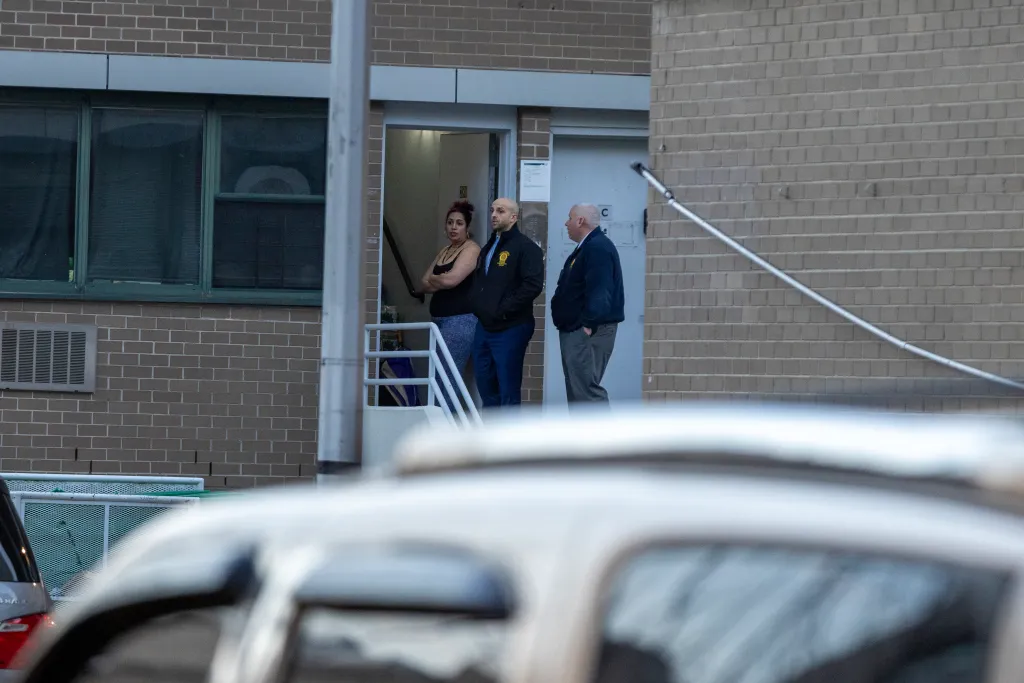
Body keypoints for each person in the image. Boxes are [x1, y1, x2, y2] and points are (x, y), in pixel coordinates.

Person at [470, 197, 544, 408]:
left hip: (511, 327)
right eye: (492, 210)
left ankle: (509, 439)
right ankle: (491, 437)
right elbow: (481, 282)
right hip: (484, 326)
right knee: (486, 386)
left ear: (513, 217)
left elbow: (532, 286)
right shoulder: (489, 246)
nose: (494, 215)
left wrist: (501, 310)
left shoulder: (526, 248)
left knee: (508, 390)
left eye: (500, 211)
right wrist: (477, 306)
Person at [550, 203, 625, 404]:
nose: (566, 223)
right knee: (578, 391)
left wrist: (588, 325)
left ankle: (601, 435)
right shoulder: (587, 247)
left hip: (588, 332)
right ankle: (582, 435)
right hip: (576, 330)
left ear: (580, 221)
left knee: (586, 392)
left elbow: (601, 291)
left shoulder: (597, 247)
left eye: (569, 218)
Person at [419, 200, 481, 411]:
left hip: (460, 321)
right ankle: (438, 426)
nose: (454, 227)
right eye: (450, 223)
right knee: (436, 375)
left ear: (468, 227)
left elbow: (451, 280)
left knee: (448, 378)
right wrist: (440, 279)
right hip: (438, 322)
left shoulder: (471, 249)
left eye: (459, 223)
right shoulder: (445, 251)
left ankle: (446, 431)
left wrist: (438, 279)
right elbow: (423, 283)